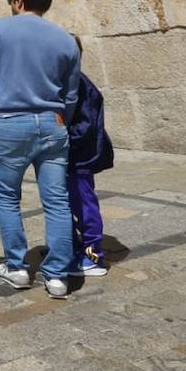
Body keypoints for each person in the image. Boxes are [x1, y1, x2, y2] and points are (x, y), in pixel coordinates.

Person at [0, 0, 80, 300]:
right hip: (53, 124)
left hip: (13, 125)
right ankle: (57, 276)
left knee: (7, 197)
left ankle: (16, 267)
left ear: (19, 1)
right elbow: (72, 95)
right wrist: (61, 120)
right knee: (57, 201)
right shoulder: (65, 39)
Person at [67, 36, 114, 277]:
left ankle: (93, 256)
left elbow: (85, 126)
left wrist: (62, 139)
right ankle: (71, 248)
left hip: (79, 158)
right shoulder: (70, 82)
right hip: (71, 158)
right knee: (67, 204)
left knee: (84, 205)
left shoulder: (80, 85)